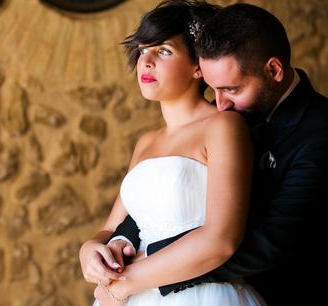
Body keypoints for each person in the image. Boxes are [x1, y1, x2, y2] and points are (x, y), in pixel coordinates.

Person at [105, 2, 328, 306]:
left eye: (231, 89)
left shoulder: (318, 131)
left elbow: (271, 242)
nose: (219, 104)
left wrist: (145, 269)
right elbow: (168, 197)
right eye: (213, 89)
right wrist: (122, 242)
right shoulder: (227, 117)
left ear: (273, 70)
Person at [79, 1, 267, 305]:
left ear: (198, 66)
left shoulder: (223, 127)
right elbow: (111, 228)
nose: (146, 61)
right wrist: (89, 250)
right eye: (143, 50)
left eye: (164, 50)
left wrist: (124, 283)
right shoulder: (146, 142)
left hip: (199, 294)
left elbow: (220, 239)